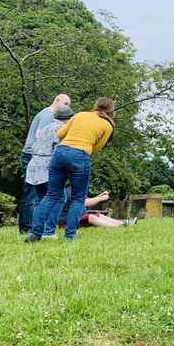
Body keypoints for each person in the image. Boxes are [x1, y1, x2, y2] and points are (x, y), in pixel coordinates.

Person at [27, 97, 115, 242]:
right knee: (78, 199)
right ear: (111, 110)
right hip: (80, 156)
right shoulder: (107, 126)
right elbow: (96, 148)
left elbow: (60, 134)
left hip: (60, 152)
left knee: (51, 196)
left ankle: (35, 233)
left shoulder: (79, 115)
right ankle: (70, 236)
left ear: (96, 106)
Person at [19, 94, 71, 234]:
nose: (67, 107)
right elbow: (45, 140)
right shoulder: (50, 118)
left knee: (39, 197)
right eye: (65, 103)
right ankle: (32, 228)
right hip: (37, 157)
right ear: (56, 100)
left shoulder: (45, 114)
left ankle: (35, 228)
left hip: (34, 158)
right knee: (39, 196)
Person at [25, 105, 74, 207]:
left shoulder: (45, 127)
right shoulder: (62, 129)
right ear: (69, 119)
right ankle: (49, 223)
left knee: (40, 199)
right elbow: (56, 147)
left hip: (35, 164)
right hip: (48, 166)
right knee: (60, 198)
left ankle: (38, 223)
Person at [40, 191, 137, 239]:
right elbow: (86, 203)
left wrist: (99, 196)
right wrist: (101, 199)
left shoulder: (75, 190)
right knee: (91, 217)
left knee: (98, 215)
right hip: (67, 222)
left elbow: (88, 200)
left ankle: (123, 223)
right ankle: (119, 226)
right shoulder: (71, 191)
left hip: (76, 216)